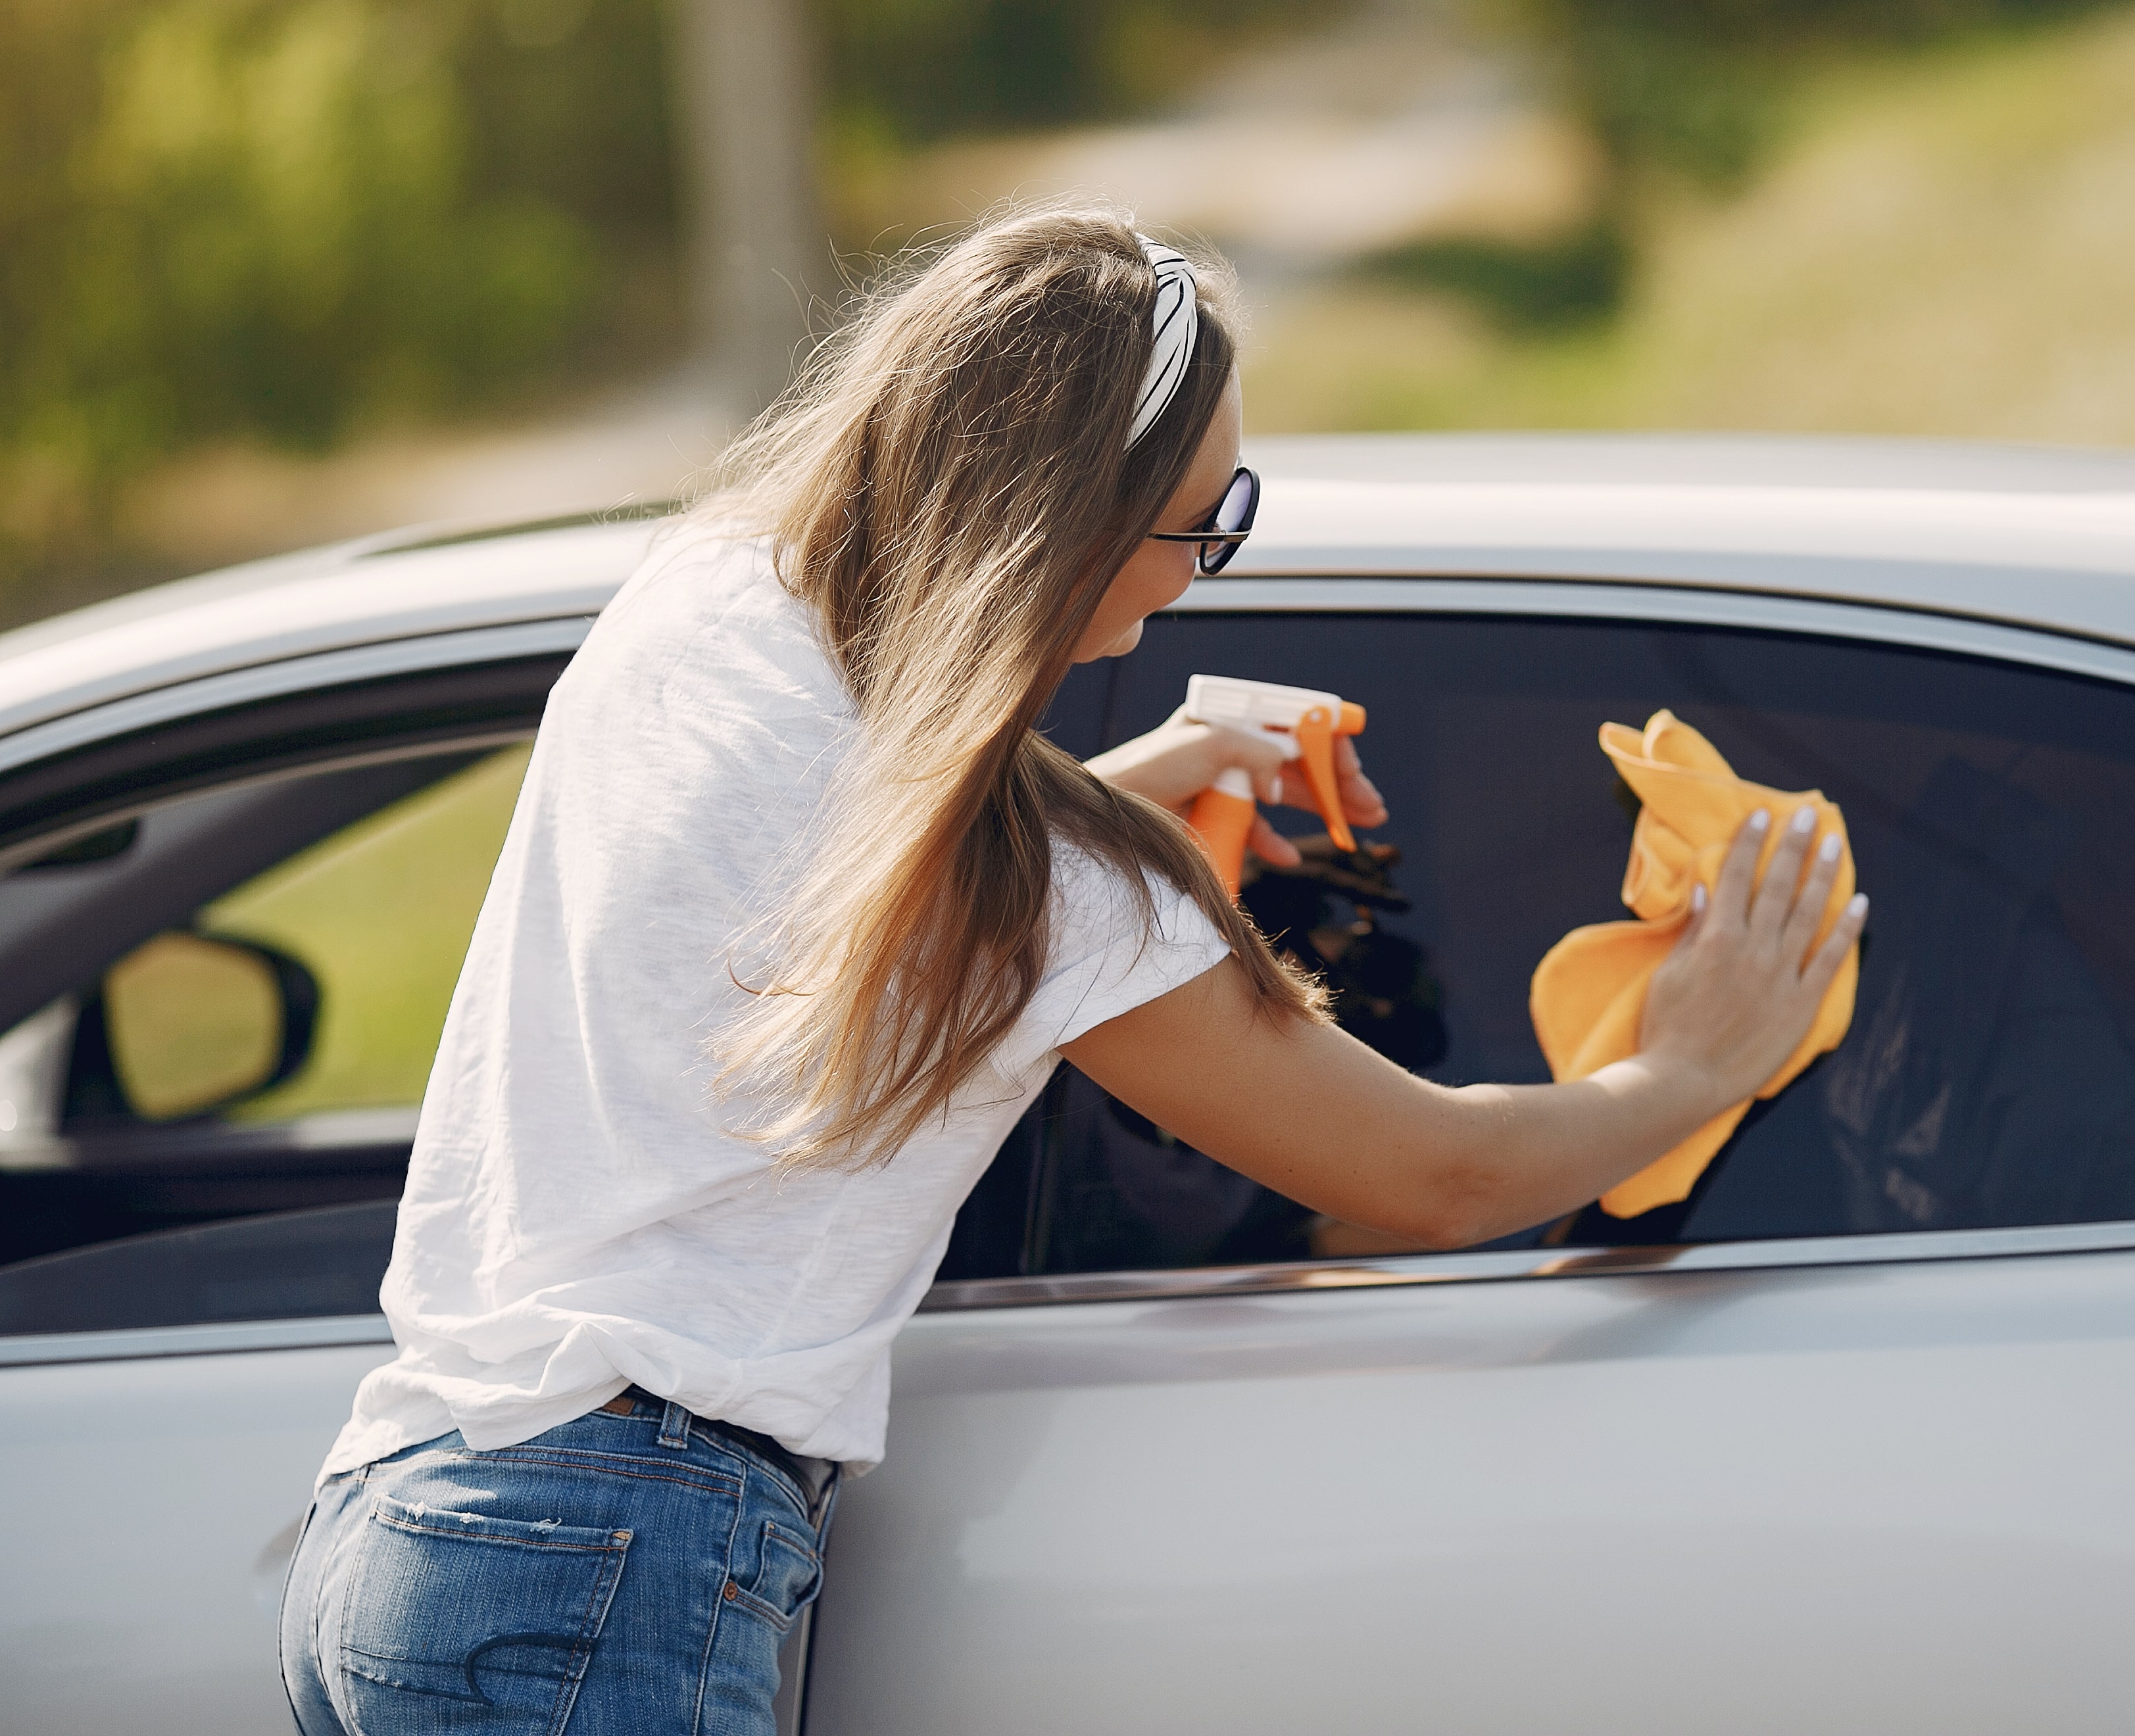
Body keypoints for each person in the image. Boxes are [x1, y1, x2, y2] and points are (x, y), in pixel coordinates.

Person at [276, 205, 1867, 1736]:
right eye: (1203, 524)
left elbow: (844, 828)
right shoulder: (1056, 898)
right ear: (1066, 525)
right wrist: (1693, 1064)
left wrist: (1149, 771)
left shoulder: (703, 608)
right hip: (608, 1560)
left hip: (410, 1528)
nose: (1196, 574)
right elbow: (1438, 1177)